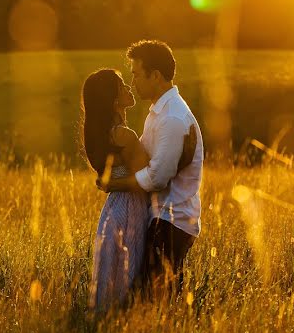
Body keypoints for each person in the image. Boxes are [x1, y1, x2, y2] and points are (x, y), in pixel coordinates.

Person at [82, 68, 195, 311]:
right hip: (131, 207)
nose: (129, 87)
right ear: (114, 101)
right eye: (122, 85)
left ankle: (108, 323)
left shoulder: (109, 136)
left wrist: (113, 182)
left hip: (114, 207)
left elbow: (117, 176)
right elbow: (151, 177)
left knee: (113, 274)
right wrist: (183, 157)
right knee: (128, 271)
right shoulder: (125, 136)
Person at [98, 40, 204, 296]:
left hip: (172, 221)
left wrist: (116, 184)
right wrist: (112, 175)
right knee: (153, 296)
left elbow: (157, 177)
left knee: (156, 300)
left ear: (155, 76)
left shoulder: (172, 118)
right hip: (162, 219)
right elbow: (142, 159)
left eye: (136, 74)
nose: (133, 82)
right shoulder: (159, 113)